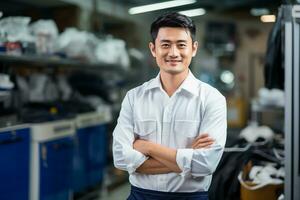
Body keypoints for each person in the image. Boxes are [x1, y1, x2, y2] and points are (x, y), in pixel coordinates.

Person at [113, 12, 227, 200]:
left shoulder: (212, 99)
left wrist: (147, 148)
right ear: (153, 49)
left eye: (181, 45)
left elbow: (206, 164)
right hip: (140, 196)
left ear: (194, 49)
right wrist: (189, 156)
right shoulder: (134, 98)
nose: (173, 53)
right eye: (165, 45)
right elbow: (120, 157)